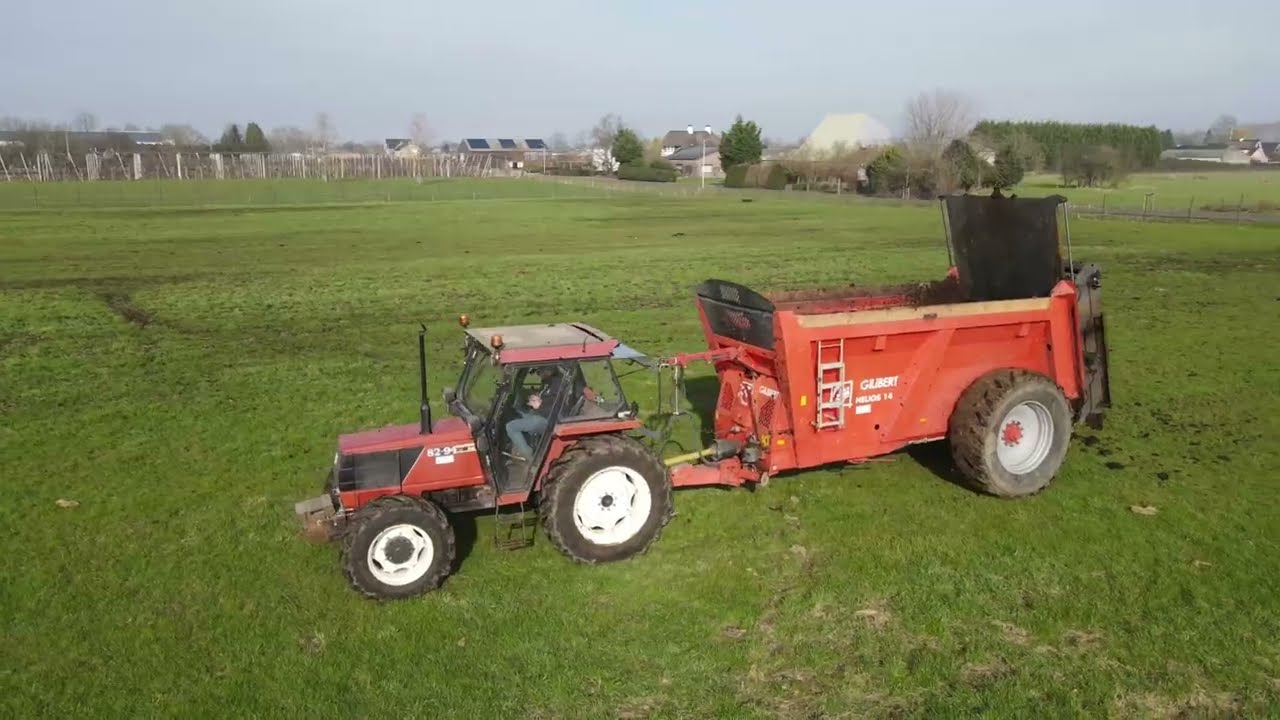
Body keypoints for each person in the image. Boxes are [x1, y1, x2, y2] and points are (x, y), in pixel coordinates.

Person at [505, 367, 561, 461]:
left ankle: (529, 457)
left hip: (548, 419)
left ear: (548, 370)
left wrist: (539, 405)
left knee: (510, 427)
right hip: (542, 415)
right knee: (517, 411)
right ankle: (518, 446)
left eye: (539, 371)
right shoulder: (548, 382)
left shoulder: (557, 384)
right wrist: (535, 398)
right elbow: (547, 398)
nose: (538, 374)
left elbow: (558, 404)